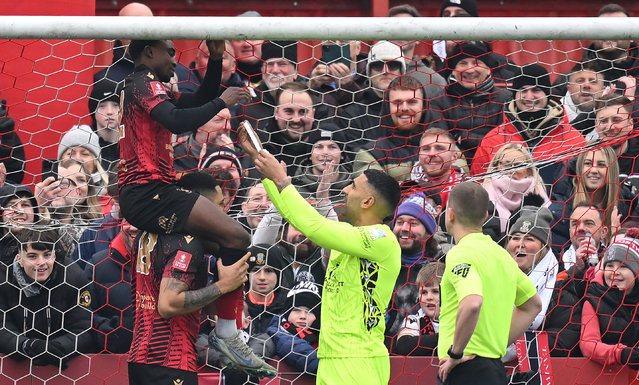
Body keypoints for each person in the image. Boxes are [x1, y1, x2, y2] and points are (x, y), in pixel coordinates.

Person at [241, 129, 402, 385]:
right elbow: (297, 218)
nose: (346, 190)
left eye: (353, 185)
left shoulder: (381, 240)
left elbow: (315, 226)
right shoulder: (348, 236)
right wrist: (264, 168)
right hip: (329, 359)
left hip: (359, 362)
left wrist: (283, 181)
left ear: (368, 201)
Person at [128, 172, 275, 385]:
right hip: (171, 358)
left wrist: (222, 297)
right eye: (218, 206)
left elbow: (169, 299)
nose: (222, 216)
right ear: (198, 207)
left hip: (140, 356)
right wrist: (224, 285)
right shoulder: (186, 244)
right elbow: (169, 304)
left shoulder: (146, 235)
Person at [437, 181, 542, 384]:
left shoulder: (460, 254)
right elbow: (533, 305)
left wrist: (456, 354)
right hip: (494, 368)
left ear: (450, 214)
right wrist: (497, 344)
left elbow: (472, 302)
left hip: (465, 369)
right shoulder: (502, 256)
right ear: (485, 216)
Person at [472, 63, 586, 183]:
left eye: (536, 90)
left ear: (547, 94)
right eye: (523, 90)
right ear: (514, 95)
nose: (529, 96)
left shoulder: (573, 140)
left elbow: (582, 187)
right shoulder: (492, 139)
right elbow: (478, 186)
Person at [0, 228, 93, 368]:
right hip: (14, 368)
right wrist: (28, 345)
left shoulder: (73, 276)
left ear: (54, 256)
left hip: (60, 369)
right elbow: (2, 327)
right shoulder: (3, 278)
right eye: (32, 256)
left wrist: (56, 349)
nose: (41, 262)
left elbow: (83, 328)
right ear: (20, 259)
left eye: (47, 255)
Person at [427, 41, 512, 162]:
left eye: (476, 63)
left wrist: (462, 137)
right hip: (453, 166)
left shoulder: (505, 99)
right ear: (454, 70)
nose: (470, 70)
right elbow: (441, 143)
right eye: (463, 63)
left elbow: (503, 142)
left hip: (494, 163)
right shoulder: (438, 100)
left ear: (488, 69)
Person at [579, 229, 639, 368]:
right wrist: (622, 354)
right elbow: (588, 344)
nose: (614, 272)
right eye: (610, 265)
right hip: (606, 375)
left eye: (623, 266)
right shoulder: (594, 298)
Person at [386, 193, 441, 344]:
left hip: (426, 353)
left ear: (429, 231)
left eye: (413, 223)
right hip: (382, 352)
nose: (404, 228)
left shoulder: (441, 268)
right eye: (399, 222)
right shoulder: (382, 265)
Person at [353, 76, 427, 182]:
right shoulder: (371, 153)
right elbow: (378, 192)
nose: (404, 108)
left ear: (424, 106)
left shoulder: (444, 145)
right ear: (388, 107)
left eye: (412, 102)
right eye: (397, 103)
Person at [86, 221, 138, 354]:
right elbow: (81, 311)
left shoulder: (167, 264)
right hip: (110, 361)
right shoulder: (97, 265)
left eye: (140, 219)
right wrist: (99, 326)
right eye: (129, 219)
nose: (133, 227)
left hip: (157, 362)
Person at [481, 143, 550, 233]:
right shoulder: (482, 195)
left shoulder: (539, 194)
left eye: (519, 165)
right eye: (506, 164)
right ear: (496, 166)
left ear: (528, 170)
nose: (512, 170)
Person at [267, 280, 322, 374]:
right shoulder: (279, 331)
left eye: (310, 311)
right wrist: (321, 366)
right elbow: (292, 346)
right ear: (287, 313)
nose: (303, 316)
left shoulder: (322, 336)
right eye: (296, 310)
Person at [393, 261, 445, 356]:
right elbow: (404, 346)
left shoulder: (459, 319)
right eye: (424, 292)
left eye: (435, 291)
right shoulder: (414, 320)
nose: (429, 297)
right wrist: (452, 337)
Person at [410, 127, 463, 208]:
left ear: (454, 157)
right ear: (419, 155)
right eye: (426, 149)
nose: (432, 154)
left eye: (440, 149)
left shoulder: (469, 192)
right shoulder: (405, 191)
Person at [87, 78, 122, 170]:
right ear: (93, 111)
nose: (109, 112)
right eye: (102, 106)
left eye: (115, 105)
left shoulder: (133, 146)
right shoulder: (84, 146)